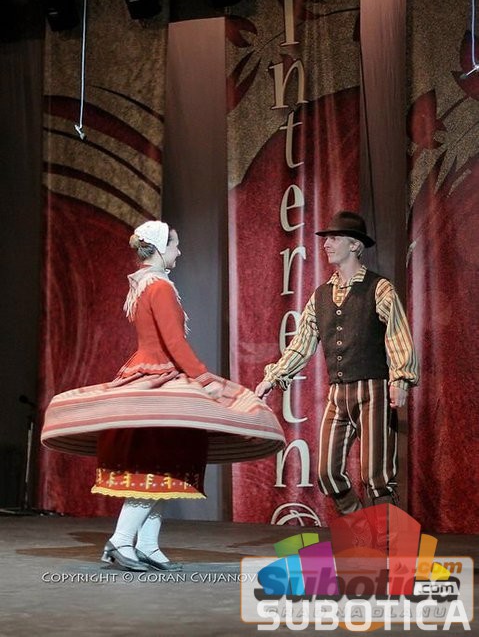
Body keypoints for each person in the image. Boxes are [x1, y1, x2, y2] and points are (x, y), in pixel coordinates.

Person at [42, 220, 284, 571]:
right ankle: (121, 540)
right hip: (160, 375)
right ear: (158, 248)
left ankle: (147, 545)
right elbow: (173, 343)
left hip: (147, 373)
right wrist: (203, 378)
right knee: (158, 463)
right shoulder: (160, 287)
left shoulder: (143, 284)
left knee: (167, 468)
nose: (179, 251)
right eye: (174, 245)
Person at [255, 211, 419, 516]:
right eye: (326, 239)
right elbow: (302, 344)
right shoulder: (320, 296)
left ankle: (388, 541)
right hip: (338, 393)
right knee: (327, 473)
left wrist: (400, 379)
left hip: (373, 390)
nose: (326, 244)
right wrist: (273, 377)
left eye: (334, 238)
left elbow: (397, 334)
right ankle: (361, 527)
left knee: (377, 477)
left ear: (355, 245)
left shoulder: (378, 288)